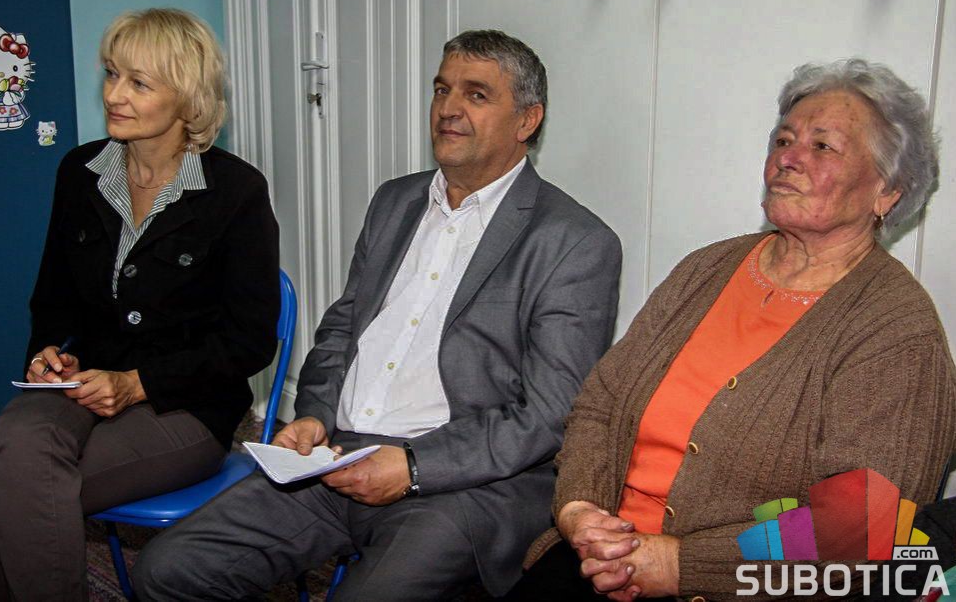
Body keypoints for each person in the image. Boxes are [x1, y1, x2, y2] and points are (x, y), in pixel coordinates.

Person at [132, 29, 622, 601]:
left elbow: (547, 415)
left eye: (476, 94)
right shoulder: (396, 201)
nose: (449, 108)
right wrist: (315, 414)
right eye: (441, 89)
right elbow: (343, 328)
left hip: (462, 483)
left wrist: (413, 466)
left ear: (527, 121)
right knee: (167, 571)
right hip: (338, 455)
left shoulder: (574, 242)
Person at [508, 59, 956, 601]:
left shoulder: (896, 332)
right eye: (783, 140)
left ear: (887, 192)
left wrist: (681, 565)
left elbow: (860, 525)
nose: (787, 157)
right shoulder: (707, 269)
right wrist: (581, 511)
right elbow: (601, 403)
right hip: (594, 557)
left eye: (822, 146)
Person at [0, 8, 280, 601]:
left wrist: (137, 384)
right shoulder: (79, 172)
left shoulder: (236, 191)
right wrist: (49, 352)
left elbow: (250, 341)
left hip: (186, 405)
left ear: (187, 99)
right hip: (84, 382)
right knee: (17, 435)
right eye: (113, 74)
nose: (114, 94)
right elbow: (53, 298)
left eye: (139, 82)